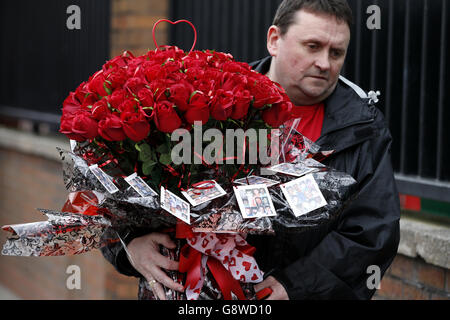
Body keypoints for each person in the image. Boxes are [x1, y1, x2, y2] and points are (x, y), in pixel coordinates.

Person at [101, 0, 400, 300]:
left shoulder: (363, 127)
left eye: (336, 53)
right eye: (312, 46)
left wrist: (293, 286)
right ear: (274, 40)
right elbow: (119, 193)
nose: (325, 63)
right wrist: (129, 246)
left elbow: (373, 232)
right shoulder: (211, 100)